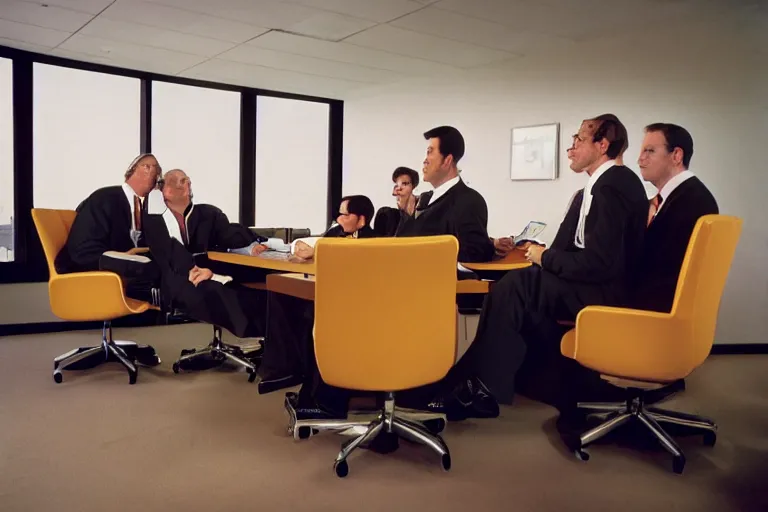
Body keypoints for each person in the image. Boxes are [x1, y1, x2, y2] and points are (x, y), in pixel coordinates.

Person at [408, 114, 649, 420]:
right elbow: (581, 250)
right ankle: (482, 381)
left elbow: (600, 262)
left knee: (517, 287)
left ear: (602, 145)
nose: (571, 148)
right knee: (518, 286)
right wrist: (541, 254)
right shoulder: (599, 186)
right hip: (595, 284)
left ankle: (480, 387)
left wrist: (543, 258)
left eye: (578, 139)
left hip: (606, 292)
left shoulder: (612, 184)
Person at [255, 195, 378, 401]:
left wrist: (316, 253)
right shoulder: (336, 232)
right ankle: (284, 367)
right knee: (280, 295)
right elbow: (320, 245)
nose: (339, 219)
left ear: (362, 219)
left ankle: (315, 388)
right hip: (328, 290)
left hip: (355, 302)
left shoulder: (375, 240)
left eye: (344, 215)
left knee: (309, 312)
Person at [54, 153, 162, 366]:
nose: (154, 172)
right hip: (86, 261)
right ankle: (165, 296)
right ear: (134, 170)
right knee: (153, 267)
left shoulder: (140, 206)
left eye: (156, 169)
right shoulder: (106, 197)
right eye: (148, 167)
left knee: (163, 258)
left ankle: (162, 297)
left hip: (113, 262)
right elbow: (82, 247)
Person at [141, 169, 269, 339]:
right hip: (179, 279)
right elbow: (169, 251)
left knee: (257, 290)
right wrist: (194, 269)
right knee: (218, 293)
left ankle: (272, 345)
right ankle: (261, 337)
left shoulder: (208, 213)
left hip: (209, 272)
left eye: (183, 181)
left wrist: (254, 244)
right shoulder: (155, 220)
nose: (186, 185)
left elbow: (229, 234)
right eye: (178, 182)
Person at [634, 123, 718, 312]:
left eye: (650, 151)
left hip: (657, 308)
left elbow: (655, 265)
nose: (640, 159)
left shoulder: (692, 202)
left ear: (676, 155)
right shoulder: (683, 196)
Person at [397, 126, 495, 263]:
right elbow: (401, 243)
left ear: (447, 160)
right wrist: (406, 212)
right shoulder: (424, 199)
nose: (425, 160)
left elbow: (476, 253)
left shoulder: (468, 200)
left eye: (430, 152)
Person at [373, 167, 420, 237]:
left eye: (404, 184)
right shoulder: (389, 216)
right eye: (397, 185)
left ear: (413, 186)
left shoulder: (424, 206)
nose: (399, 188)